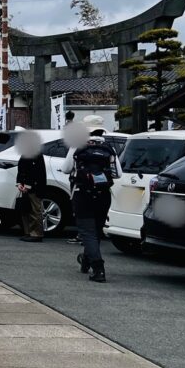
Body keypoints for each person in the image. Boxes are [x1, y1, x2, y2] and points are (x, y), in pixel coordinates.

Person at [60, 114, 120, 284]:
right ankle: (86, 260)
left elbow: (66, 169)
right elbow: (118, 173)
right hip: (103, 194)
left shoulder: (78, 145)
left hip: (82, 193)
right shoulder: (109, 148)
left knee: (87, 232)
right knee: (96, 230)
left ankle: (98, 267)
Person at [15, 131, 46, 242]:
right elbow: (21, 169)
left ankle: (36, 234)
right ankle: (28, 232)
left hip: (34, 187)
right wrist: (19, 183)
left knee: (35, 210)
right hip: (26, 186)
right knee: (26, 210)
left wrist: (27, 185)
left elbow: (37, 172)